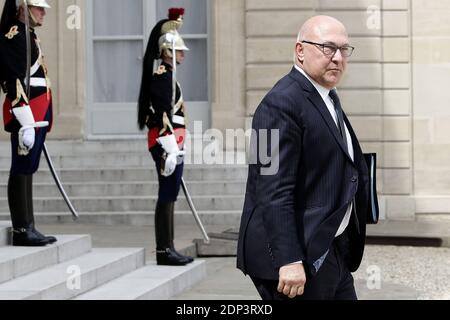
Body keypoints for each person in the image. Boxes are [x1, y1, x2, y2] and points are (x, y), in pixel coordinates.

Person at [237, 15, 370, 300]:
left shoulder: (327, 96)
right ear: (300, 50)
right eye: (327, 48)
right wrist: (288, 260)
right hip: (294, 260)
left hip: (328, 247)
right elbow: (271, 190)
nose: (337, 58)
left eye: (344, 49)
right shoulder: (278, 103)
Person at [137, 8, 194, 266]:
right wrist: (170, 146)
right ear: (167, 52)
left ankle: (168, 247)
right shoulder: (162, 76)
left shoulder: (170, 76)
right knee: (166, 194)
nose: (183, 54)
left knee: (170, 194)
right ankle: (164, 249)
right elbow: (160, 113)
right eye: (178, 50)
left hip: (173, 143)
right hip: (165, 143)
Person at [0, 0, 56, 246]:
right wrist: (26, 120)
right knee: (21, 168)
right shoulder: (16, 35)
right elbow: (13, 80)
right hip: (27, 115)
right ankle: (22, 229)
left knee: (28, 168)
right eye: (38, 7)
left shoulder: (29, 35)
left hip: (36, 115)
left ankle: (29, 224)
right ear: (23, 8)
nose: (43, 12)